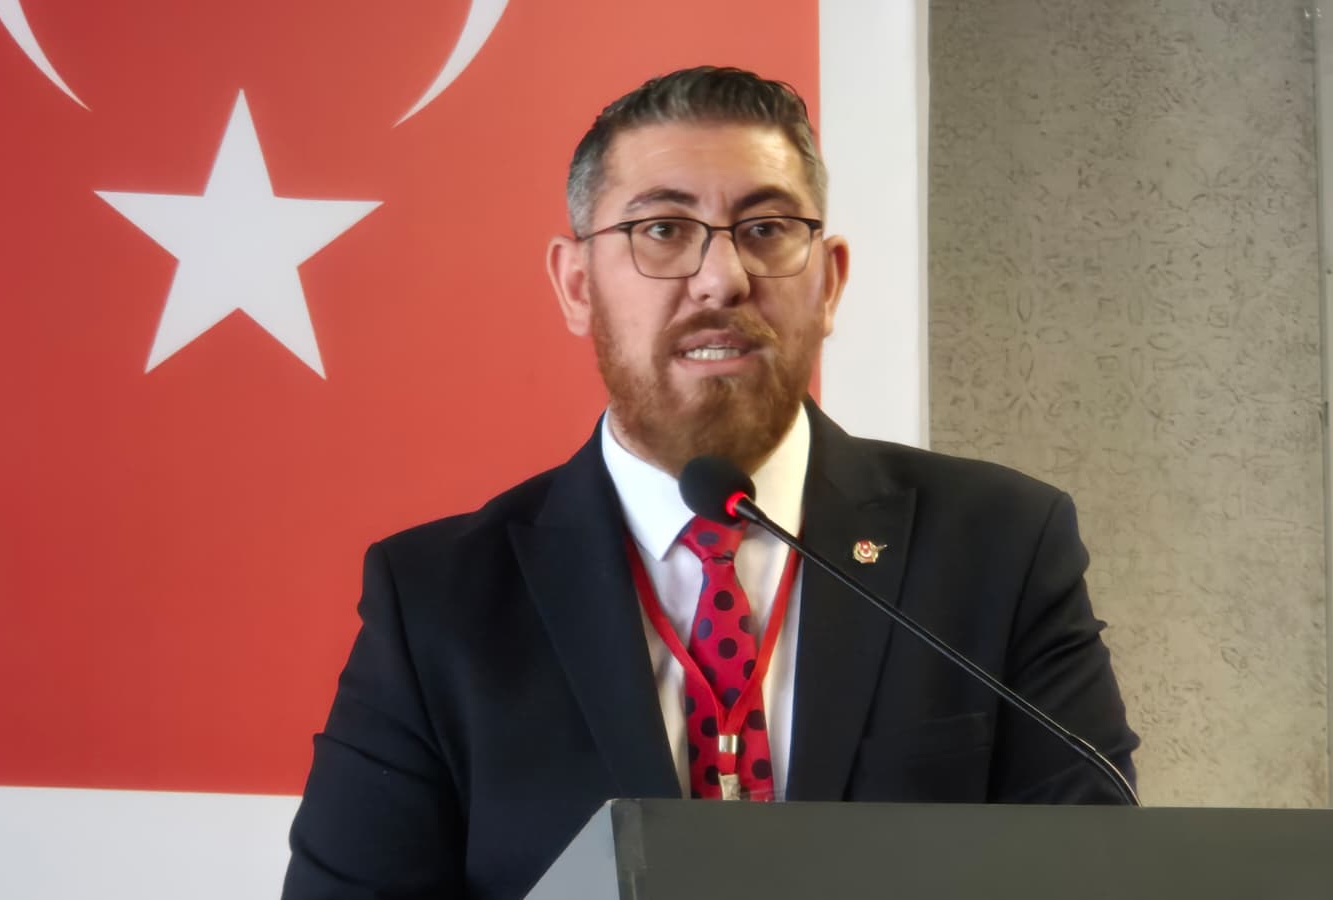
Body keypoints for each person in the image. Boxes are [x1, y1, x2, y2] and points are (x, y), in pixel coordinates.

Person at [283, 66, 1138, 900]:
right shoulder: (437, 603)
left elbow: (1097, 874)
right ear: (578, 286)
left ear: (830, 282)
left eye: (766, 229)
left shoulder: (1001, 547)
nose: (723, 278)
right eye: (663, 229)